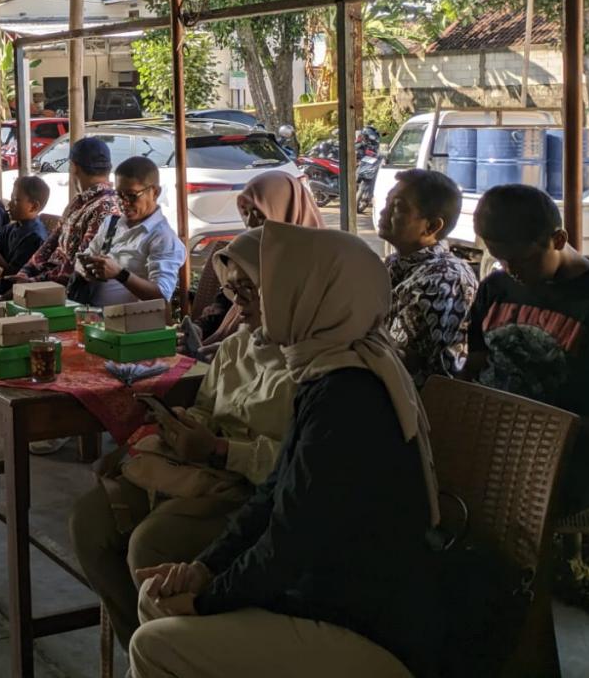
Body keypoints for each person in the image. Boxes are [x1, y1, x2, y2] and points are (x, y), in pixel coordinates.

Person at [129, 223, 441, 678]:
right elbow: (273, 497)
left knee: (155, 642)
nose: (241, 306)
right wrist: (203, 570)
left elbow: (294, 538)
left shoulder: (350, 395)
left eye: (255, 290)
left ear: (306, 293)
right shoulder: (324, 371)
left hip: (362, 622)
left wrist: (207, 598)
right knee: (158, 598)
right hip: (319, 593)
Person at [70, 228, 294, 649]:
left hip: (254, 495)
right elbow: (208, 408)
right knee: (90, 520)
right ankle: (141, 648)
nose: (237, 302)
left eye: (249, 289)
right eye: (233, 290)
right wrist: (181, 426)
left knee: (151, 546)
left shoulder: (313, 367)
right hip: (204, 473)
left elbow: (297, 466)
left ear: (286, 288)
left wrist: (221, 450)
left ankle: (176, 655)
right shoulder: (238, 346)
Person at [465, 184, 589, 514]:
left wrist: (539, 429)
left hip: (572, 458)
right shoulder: (497, 287)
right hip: (494, 442)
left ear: (558, 240)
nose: (510, 270)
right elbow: (474, 364)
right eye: (500, 259)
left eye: (522, 260)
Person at [188, 170, 323, 357]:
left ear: (285, 209)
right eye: (245, 213)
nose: (250, 222)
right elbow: (225, 301)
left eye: (259, 214)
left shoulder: (316, 267)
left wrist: (245, 351)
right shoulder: (251, 251)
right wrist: (200, 327)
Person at [377, 169, 477, 386]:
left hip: (420, 398)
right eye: (387, 203)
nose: (384, 212)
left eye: (398, 208)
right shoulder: (394, 264)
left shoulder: (444, 279)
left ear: (431, 226)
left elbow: (397, 357)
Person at [75, 156, 185, 306]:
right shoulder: (111, 223)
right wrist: (84, 269)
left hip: (130, 319)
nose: (124, 202)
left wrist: (120, 274)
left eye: (132, 196)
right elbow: (85, 257)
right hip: (90, 311)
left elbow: (162, 296)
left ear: (155, 192)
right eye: (119, 195)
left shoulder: (163, 238)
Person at [14, 136, 118, 287]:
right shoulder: (78, 201)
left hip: (65, 289)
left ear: (74, 167)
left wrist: (32, 282)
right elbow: (50, 243)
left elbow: (79, 266)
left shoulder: (106, 208)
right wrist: (25, 272)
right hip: (45, 282)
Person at [0, 174, 49, 292]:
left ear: (33, 206)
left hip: (14, 293)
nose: (9, 204)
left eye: (16, 200)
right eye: (11, 199)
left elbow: (11, 275)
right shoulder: (10, 228)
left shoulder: (34, 237)